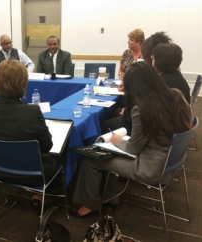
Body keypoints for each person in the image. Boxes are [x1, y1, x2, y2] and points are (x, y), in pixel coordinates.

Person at [71, 62, 192, 218]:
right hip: (173, 161)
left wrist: (116, 140)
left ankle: (90, 205)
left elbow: (133, 149)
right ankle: (110, 197)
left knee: (91, 160)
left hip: (151, 168)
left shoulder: (142, 108)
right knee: (106, 155)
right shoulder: (176, 95)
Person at [0, 59, 61, 214]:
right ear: (23, 82)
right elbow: (47, 147)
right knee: (58, 156)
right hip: (32, 173)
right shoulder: (32, 112)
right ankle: (42, 196)